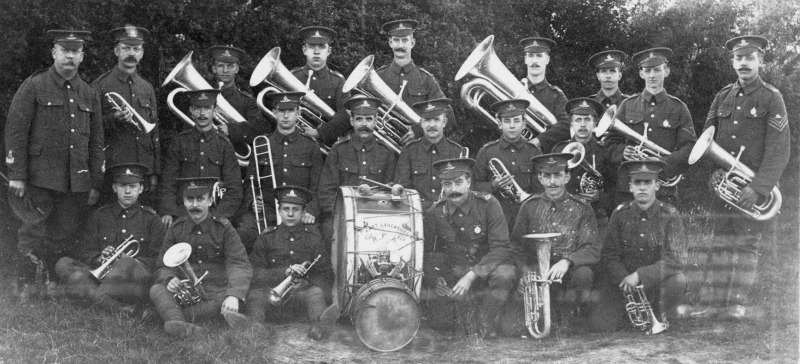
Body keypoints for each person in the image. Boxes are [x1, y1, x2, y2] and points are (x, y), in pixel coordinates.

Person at [4, 30, 104, 301]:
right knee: (32, 231)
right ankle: (25, 288)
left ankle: (55, 287)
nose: (70, 56)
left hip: (75, 180)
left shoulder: (88, 93)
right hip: (38, 176)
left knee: (63, 234)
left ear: (82, 56)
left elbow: (96, 141)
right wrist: (17, 174)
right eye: (64, 50)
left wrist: (94, 182)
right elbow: (16, 131)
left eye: (75, 51)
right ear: (54, 53)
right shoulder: (35, 85)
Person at [696, 35, 790, 319]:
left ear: (760, 61)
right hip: (725, 185)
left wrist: (759, 188)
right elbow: (706, 139)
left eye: (750, 58)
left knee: (747, 246)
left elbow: (779, 149)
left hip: (752, 188)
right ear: (732, 62)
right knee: (720, 244)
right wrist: (713, 171)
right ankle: (714, 304)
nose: (744, 63)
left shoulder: (771, 97)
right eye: (739, 58)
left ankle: (737, 305)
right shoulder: (722, 96)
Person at [422, 158, 516, 339]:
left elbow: (502, 247)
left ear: (469, 182)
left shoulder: (489, 204)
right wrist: (435, 278)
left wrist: (472, 274)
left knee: (505, 274)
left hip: (486, 272)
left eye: (458, 182)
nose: (453, 190)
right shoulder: (435, 212)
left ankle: (486, 322)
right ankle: (471, 312)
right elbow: (429, 251)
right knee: (441, 323)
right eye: (447, 184)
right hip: (456, 274)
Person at [589, 160, 687, 332]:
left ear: (657, 186)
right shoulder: (620, 213)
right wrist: (624, 279)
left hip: (656, 284)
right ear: (630, 187)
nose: (642, 187)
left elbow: (676, 259)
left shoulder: (670, 215)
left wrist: (640, 275)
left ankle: (659, 313)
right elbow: (610, 255)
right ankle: (633, 314)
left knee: (678, 280)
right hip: (624, 284)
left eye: (647, 182)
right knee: (600, 325)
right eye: (637, 183)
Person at [508, 153, 601, 331]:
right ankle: (547, 314)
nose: (552, 182)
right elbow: (516, 246)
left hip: (567, 275)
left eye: (558, 175)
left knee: (584, 275)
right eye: (547, 176)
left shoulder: (582, 207)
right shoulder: (528, 206)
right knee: (510, 328)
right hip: (536, 274)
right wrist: (524, 272)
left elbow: (592, 247)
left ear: (567, 177)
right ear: (540, 178)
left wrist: (567, 261)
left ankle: (567, 314)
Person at [149, 177, 252, 337]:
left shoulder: (224, 228)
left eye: (200, 199)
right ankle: (182, 324)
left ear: (210, 201)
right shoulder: (176, 229)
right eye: (190, 199)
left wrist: (233, 295)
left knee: (227, 300)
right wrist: (169, 279)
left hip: (216, 291)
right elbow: (162, 266)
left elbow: (238, 263)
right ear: (184, 201)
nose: (195, 205)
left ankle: (169, 316)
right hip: (185, 292)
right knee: (157, 289)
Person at [55, 163, 165, 312]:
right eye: (122, 185)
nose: (127, 191)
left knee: (124, 263)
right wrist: (99, 258)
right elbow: (84, 249)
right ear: (114, 188)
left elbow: (159, 258)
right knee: (63, 263)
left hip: (132, 279)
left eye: (132, 186)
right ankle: (115, 305)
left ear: (140, 188)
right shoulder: (100, 215)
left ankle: (92, 296)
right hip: (103, 275)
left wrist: (133, 261)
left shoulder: (151, 219)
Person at [605, 48, 696, 207]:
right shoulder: (627, 105)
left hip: (663, 191)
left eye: (657, 70)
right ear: (641, 74)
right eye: (647, 70)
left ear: (666, 71)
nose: (652, 75)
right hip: (628, 189)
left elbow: (689, 148)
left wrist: (662, 163)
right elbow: (609, 143)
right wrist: (622, 151)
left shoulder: (679, 108)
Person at [244, 186, 338, 340]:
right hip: (270, 296)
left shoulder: (314, 238)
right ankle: (255, 327)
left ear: (303, 212)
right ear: (279, 211)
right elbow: (254, 272)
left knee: (315, 293)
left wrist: (307, 283)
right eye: (286, 209)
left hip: (301, 297)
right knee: (255, 296)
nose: (290, 214)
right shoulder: (266, 237)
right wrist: (284, 272)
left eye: (296, 209)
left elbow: (327, 274)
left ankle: (319, 325)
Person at [237, 91, 324, 252]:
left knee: (315, 238)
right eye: (281, 111)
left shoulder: (310, 145)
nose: (285, 116)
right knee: (245, 232)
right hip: (268, 210)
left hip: (299, 210)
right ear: (274, 113)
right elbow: (250, 182)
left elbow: (317, 186)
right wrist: (253, 201)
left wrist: (310, 211)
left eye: (290, 111)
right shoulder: (262, 143)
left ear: (298, 113)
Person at [91, 25, 160, 206]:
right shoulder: (100, 85)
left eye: (136, 49)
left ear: (142, 53)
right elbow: (90, 128)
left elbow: (154, 133)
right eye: (126, 48)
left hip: (142, 168)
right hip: (113, 168)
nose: (131, 53)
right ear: (116, 51)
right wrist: (113, 119)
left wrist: (155, 171)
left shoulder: (146, 87)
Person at [158, 89, 243, 226]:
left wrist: (218, 216)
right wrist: (169, 211)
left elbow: (234, 189)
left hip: (215, 212)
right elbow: (168, 182)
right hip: (183, 213)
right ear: (191, 110)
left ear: (215, 111)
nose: (202, 113)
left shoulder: (224, 144)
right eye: (198, 108)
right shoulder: (179, 142)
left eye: (207, 108)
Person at [318, 96, 397, 229]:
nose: (364, 124)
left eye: (369, 119)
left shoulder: (386, 152)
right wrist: (344, 215)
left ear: (376, 120)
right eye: (359, 119)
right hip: (342, 218)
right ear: (351, 121)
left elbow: (390, 192)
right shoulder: (338, 150)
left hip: (376, 219)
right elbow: (326, 192)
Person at [376, 19, 454, 144]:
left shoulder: (426, 79)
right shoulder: (379, 76)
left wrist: (419, 130)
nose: (400, 45)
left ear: (412, 43)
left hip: (419, 148)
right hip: (384, 149)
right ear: (390, 43)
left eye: (405, 40)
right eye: (396, 40)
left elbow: (448, 115)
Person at [474, 99, 543, 229]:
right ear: (500, 124)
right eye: (507, 121)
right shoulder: (487, 151)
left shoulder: (533, 152)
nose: (512, 126)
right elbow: (474, 187)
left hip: (526, 219)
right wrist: (493, 186)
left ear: (524, 124)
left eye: (516, 121)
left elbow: (540, 190)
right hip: (495, 219)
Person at [552, 98, 612, 235]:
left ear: (594, 123)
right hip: (564, 217)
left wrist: (600, 196)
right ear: (571, 123)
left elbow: (614, 186)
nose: (583, 125)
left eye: (587, 120)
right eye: (578, 120)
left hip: (596, 218)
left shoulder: (605, 151)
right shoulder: (560, 150)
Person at [394, 98, 467, 211]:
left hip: (448, 216)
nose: (432, 125)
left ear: (444, 122)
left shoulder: (457, 152)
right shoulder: (409, 151)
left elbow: (463, 193)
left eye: (437, 119)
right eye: (427, 120)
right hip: (418, 214)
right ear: (421, 123)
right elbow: (402, 189)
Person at [208, 45, 272, 164]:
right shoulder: (204, 98)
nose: (225, 70)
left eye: (230, 66)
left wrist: (231, 129)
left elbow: (261, 127)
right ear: (214, 69)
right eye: (220, 66)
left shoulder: (247, 101)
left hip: (235, 163)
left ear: (237, 69)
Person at [290, 26, 351, 147]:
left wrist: (319, 132)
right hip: (294, 144)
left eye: (322, 47)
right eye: (311, 46)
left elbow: (345, 114)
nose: (316, 52)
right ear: (304, 50)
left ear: (329, 51)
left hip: (326, 145)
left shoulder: (338, 81)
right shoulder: (292, 77)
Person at [518, 37, 570, 154]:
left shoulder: (556, 95)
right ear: (525, 59)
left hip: (544, 156)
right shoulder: (515, 88)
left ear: (547, 59)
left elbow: (567, 124)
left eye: (539, 56)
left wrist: (539, 141)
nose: (534, 61)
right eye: (530, 56)